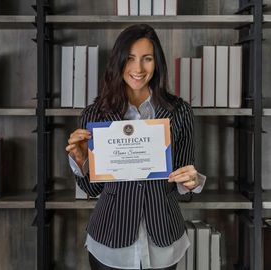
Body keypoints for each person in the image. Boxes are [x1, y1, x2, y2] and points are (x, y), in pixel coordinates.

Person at [65, 24, 206, 270]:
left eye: (147, 59)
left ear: (157, 63)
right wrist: (80, 160)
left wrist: (193, 180)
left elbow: (185, 179)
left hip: (163, 237)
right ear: (118, 61)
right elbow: (92, 188)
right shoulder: (95, 115)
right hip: (110, 240)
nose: (138, 68)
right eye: (130, 58)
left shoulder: (179, 111)